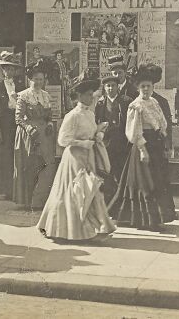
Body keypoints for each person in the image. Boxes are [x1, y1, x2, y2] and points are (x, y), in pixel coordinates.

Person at [37, 77, 116, 242]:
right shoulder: (72, 115)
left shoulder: (90, 113)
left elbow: (91, 133)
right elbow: (62, 140)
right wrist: (82, 143)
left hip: (89, 157)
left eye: (92, 95)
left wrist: (99, 132)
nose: (91, 98)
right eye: (87, 95)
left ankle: (93, 229)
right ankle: (65, 229)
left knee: (90, 190)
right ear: (78, 96)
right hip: (74, 158)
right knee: (75, 192)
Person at [108, 64, 172, 232]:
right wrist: (143, 149)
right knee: (146, 182)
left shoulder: (154, 102)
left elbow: (162, 123)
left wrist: (164, 141)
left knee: (157, 180)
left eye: (148, 86)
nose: (145, 89)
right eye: (142, 86)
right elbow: (133, 130)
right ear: (137, 88)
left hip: (156, 145)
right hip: (143, 145)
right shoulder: (135, 105)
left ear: (152, 87)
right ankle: (146, 220)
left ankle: (155, 218)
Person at [13, 59, 57, 209]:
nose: (38, 82)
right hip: (29, 135)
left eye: (41, 79)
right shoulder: (23, 96)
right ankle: (26, 200)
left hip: (44, 135)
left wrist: (50, 124)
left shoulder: (45, 96)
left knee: (45, 166)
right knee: (30, 166)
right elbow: (18, 118)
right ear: (29, 79)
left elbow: (49, 116)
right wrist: (28, 128)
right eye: (35, 79)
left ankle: (41, 200)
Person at [0, 51, 24, 199]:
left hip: (17, 121)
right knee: (5, 155)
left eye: (11, 69)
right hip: (5, 123)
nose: (9, 72)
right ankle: (6, 189)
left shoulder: (21, 85)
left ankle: (17, 188)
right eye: (6, 69)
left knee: (17, 153)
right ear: (3, 71)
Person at [147, 63, 177, 222]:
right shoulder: (138, 100)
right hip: (146, 145)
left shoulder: (161, 101)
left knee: (162, 178)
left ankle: (168, 211)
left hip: (158, 145)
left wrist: (167, 146)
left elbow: (167, 126)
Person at [95, 76, 131, 203]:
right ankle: (108, 203)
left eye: (113, 85)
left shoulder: (125, 101)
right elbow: (96, 122)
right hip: (106, 144)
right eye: (108, 86)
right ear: (104, 88)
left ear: (118, 87)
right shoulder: (100, 103)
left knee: (120, 173)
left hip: (122, 143)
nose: (110, 88)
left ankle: (120, 203)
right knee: (106, 173)